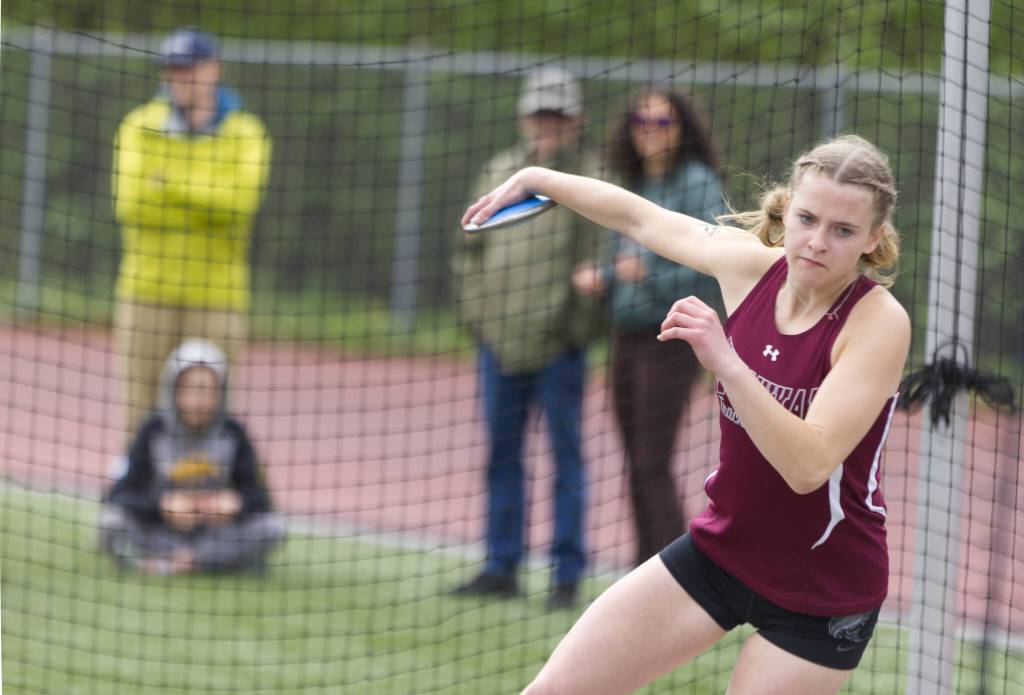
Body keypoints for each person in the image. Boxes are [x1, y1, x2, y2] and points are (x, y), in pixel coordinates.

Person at [463, 134, 910, 693]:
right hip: (722, 553)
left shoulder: (877, 322)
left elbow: (808, 464)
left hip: (822, 591)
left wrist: (727, 362)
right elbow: (640, 217)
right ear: (786, 210)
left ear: (873, 238)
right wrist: (539, 179)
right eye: (807, 218)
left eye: (843, 230)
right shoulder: (748, 265)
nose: (817, 242)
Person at [450, 66, 606, 610]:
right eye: (541, 113)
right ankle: (500, 565)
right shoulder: (500, 171)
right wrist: (480, 318)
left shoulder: (588, 177)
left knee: (566, 457)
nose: (549, 123)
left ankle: (566, 573)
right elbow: (468, 248)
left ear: (576, 120)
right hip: (498, 341)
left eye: (558, 114)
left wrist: (574, 328)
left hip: (560, 345)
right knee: (501, 455)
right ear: (524, 116)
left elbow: (598, 260)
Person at [573, 88, 725, 566]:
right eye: (642, 121)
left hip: (671, 337)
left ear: (681, 129)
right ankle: (644, 569)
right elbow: (619, 257)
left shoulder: (698, 182)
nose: (649, 131)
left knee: (652, 461)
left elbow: (708, 261)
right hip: (627, 336)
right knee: (634, 461)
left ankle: (678, 572)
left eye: (662, 123)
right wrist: (607, 279)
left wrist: (648, 275)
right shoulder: (633, 183)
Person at [112, 27, 272, 436]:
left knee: (209, 407)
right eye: (172, 70)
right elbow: (131, 203)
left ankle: (203, 493)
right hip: (146, 290)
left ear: (213, 69)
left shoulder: (245, 132)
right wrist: (206, 195)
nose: (179, 78)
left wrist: (169, 185)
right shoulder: (139, 124)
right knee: (139, 408)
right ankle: (138, 496)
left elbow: (239, 205)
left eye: (188, 68)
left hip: (218, 295)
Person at [99, 338, 284, 574]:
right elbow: (119, 494)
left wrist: (235, 503)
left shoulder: (233, 433)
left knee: (271, 528)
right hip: (161, 532)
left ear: (221, 393)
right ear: (174, 390)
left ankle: (181, 562)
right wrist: (162, 505)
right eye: (190, 390)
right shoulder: (153, 429)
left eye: (207, 391)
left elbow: (261, 500)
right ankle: (206, 564)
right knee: (112, 522)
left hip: (215, 535)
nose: (198, 401)